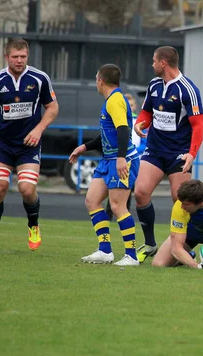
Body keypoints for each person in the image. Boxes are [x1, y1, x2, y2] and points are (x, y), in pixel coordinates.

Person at [132, 46, 203, 263]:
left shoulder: (188, 90)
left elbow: (198, 124)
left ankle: (184, 246)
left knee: (181, 199)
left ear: (163, 63)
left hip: (178, 153)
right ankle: (150, 243)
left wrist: (192, 153)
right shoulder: (154, 85)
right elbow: (146, 111)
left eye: (154, 61)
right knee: (140, 192)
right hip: (154, 149)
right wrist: (139, 124)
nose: (151, 64)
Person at [0, 37, 59, 254]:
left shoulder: (39, 78)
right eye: (15, 57)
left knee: (27, 190)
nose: (20, 60)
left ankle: (33, 225)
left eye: (23, 57)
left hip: (29, 145)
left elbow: (53, 108)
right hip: (3, 143)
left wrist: (38, 130)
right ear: (7, 56)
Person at [69, 64, 141, 266]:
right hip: (108, 160)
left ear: (100, 80)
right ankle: (105, 250)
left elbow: (123, 130)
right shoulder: (112, 100)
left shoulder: (116, 100)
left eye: (95, 79)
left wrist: (120, 158)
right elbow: (107, 135)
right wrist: (84, 147)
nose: (95, 83)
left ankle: (131, 256)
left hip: (121, 160)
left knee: (118, 206)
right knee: (92, 200)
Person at [105, 93, 145, 221]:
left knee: (129, 189)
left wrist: (133, 149)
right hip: (120, 158)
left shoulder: (139, 122)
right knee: (114, 187)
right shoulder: (118, 120)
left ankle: (122, 215)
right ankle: (109, 215)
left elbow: (145, 142)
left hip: (134, 159)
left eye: (132, 105)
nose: (131, 107)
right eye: (129, 104)